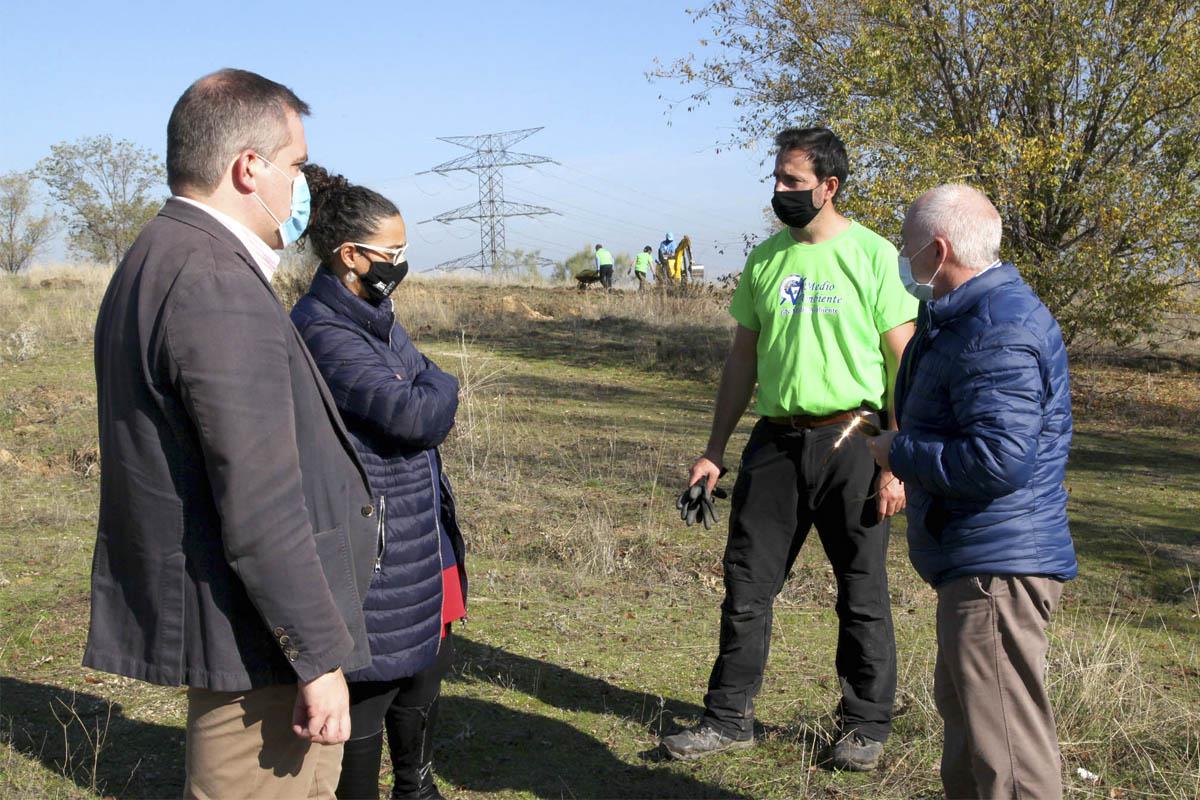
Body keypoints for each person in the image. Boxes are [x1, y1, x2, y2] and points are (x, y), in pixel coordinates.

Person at [86, 69, 377, 799]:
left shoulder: (160, 254)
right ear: (250, 168)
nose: (303, 183)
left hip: (245, 633)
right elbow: (261, 502)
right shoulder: (213, 281)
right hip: (260, 656)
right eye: (298, 164)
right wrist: (317, 657)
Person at [662, 127, 917, 772]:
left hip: (856, 439)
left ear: (829, 187)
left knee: (861, 590)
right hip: (775, 441)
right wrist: (714, 449)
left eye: (792, 182)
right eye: (776, 179)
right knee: (746, 584)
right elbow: (741, 359)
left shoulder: (876, 257)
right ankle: (727, 719)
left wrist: (899, 458)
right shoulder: (766, 260)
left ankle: (865, 725)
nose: (778, 192)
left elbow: (902, 363)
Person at [865, 184, 1077, 799]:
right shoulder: (962, 318)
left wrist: (897, 452)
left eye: (907, 246)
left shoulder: (996, 327)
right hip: (978, 558)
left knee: (1007, 752)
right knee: (970, 731)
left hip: (998, 568)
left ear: (938, 249)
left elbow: (1000, 459)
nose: (903, 259)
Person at [290, 166, 467, 800]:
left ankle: (415, 786)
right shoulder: (322, 328)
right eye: (391, 253)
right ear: (350, 255)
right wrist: (438, 385)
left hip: (418, 529)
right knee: (369, 689)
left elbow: (424, 386)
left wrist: (430, 383)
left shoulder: (375, 313)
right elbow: (418, 411)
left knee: (427, 664)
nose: (400, 262)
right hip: (376, 544)